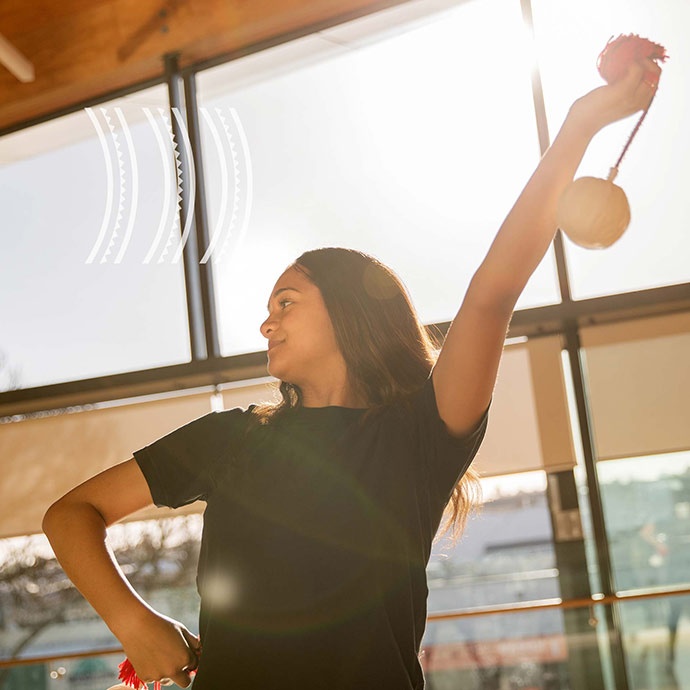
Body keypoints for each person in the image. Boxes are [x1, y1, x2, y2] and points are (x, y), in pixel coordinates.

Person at [42, 57, 661, 689]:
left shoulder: (421, 435)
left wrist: (582, 123)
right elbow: (72, 514)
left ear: (350, 312)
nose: (267, 325)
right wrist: (136, 624)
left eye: (287, 302)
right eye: (267, 310)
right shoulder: (231, 438)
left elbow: (492, 292)